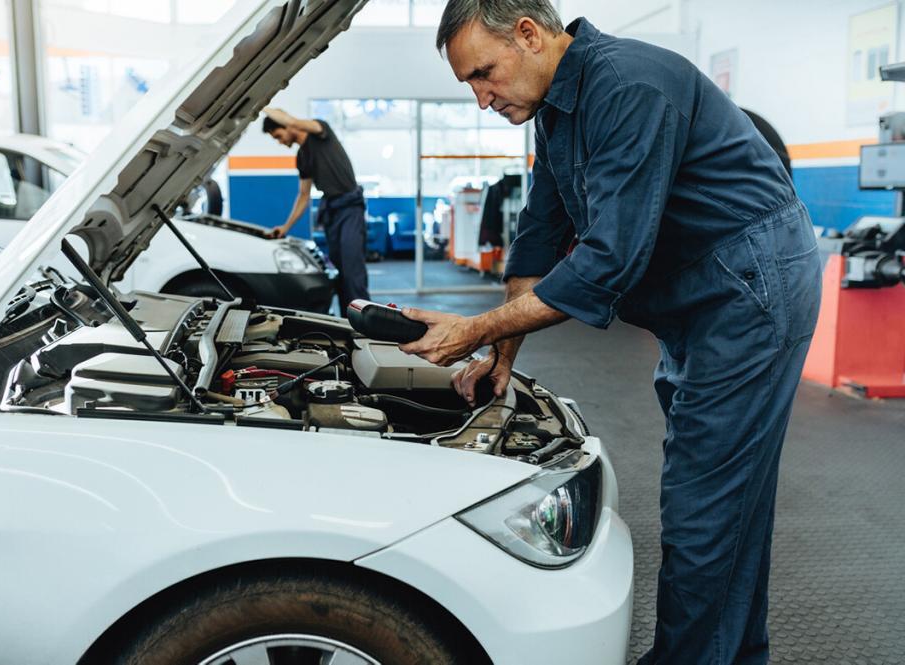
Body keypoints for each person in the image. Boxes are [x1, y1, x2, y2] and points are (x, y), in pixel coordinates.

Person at [397, 2, 822, 664]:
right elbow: (538, 240)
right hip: (701, 297)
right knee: (730, 497)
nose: (482, 98)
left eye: (483, 73)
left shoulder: (628, 85)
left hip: (748, 291)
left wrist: (472, 327)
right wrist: (499, 355)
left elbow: (606, 262)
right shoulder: (560, 113)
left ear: (530, 35)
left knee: (702, 505)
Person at [261, 107, 370, 315]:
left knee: (352, 270)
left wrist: (261, 106)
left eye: (278, 136)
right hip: (332, 211)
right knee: (338, 273)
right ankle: (349, 320)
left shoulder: (320, 132)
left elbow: (291, 118)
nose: (280, 142)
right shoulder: (302, 157)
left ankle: (367, 322)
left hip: (350, 208)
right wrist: (285, 227)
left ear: (288, 127)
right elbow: (303, 195)